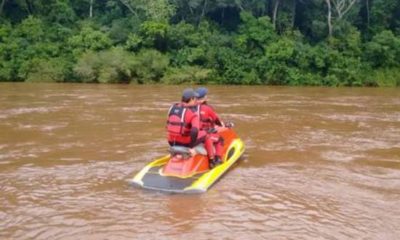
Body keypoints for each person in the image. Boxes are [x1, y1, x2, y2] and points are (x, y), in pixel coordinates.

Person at [166, 88, 217, 166]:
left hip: (171, 141)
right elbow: (195, 131)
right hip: (185, 143)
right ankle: (212, 160)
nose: (196, 100)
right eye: (195, 98)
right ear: (191, 99)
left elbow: (168, 125)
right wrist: (191, 146)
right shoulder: (192, 113)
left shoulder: (172, 108)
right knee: (206, 135)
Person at [195, 87, 224, 167]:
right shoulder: (208, 108)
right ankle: (217, 159)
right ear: (204, 98)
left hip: (192, 135)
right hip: (204, 135)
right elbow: (217, 120)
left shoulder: (190, 107)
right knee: (220, 139)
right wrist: (223, 125)